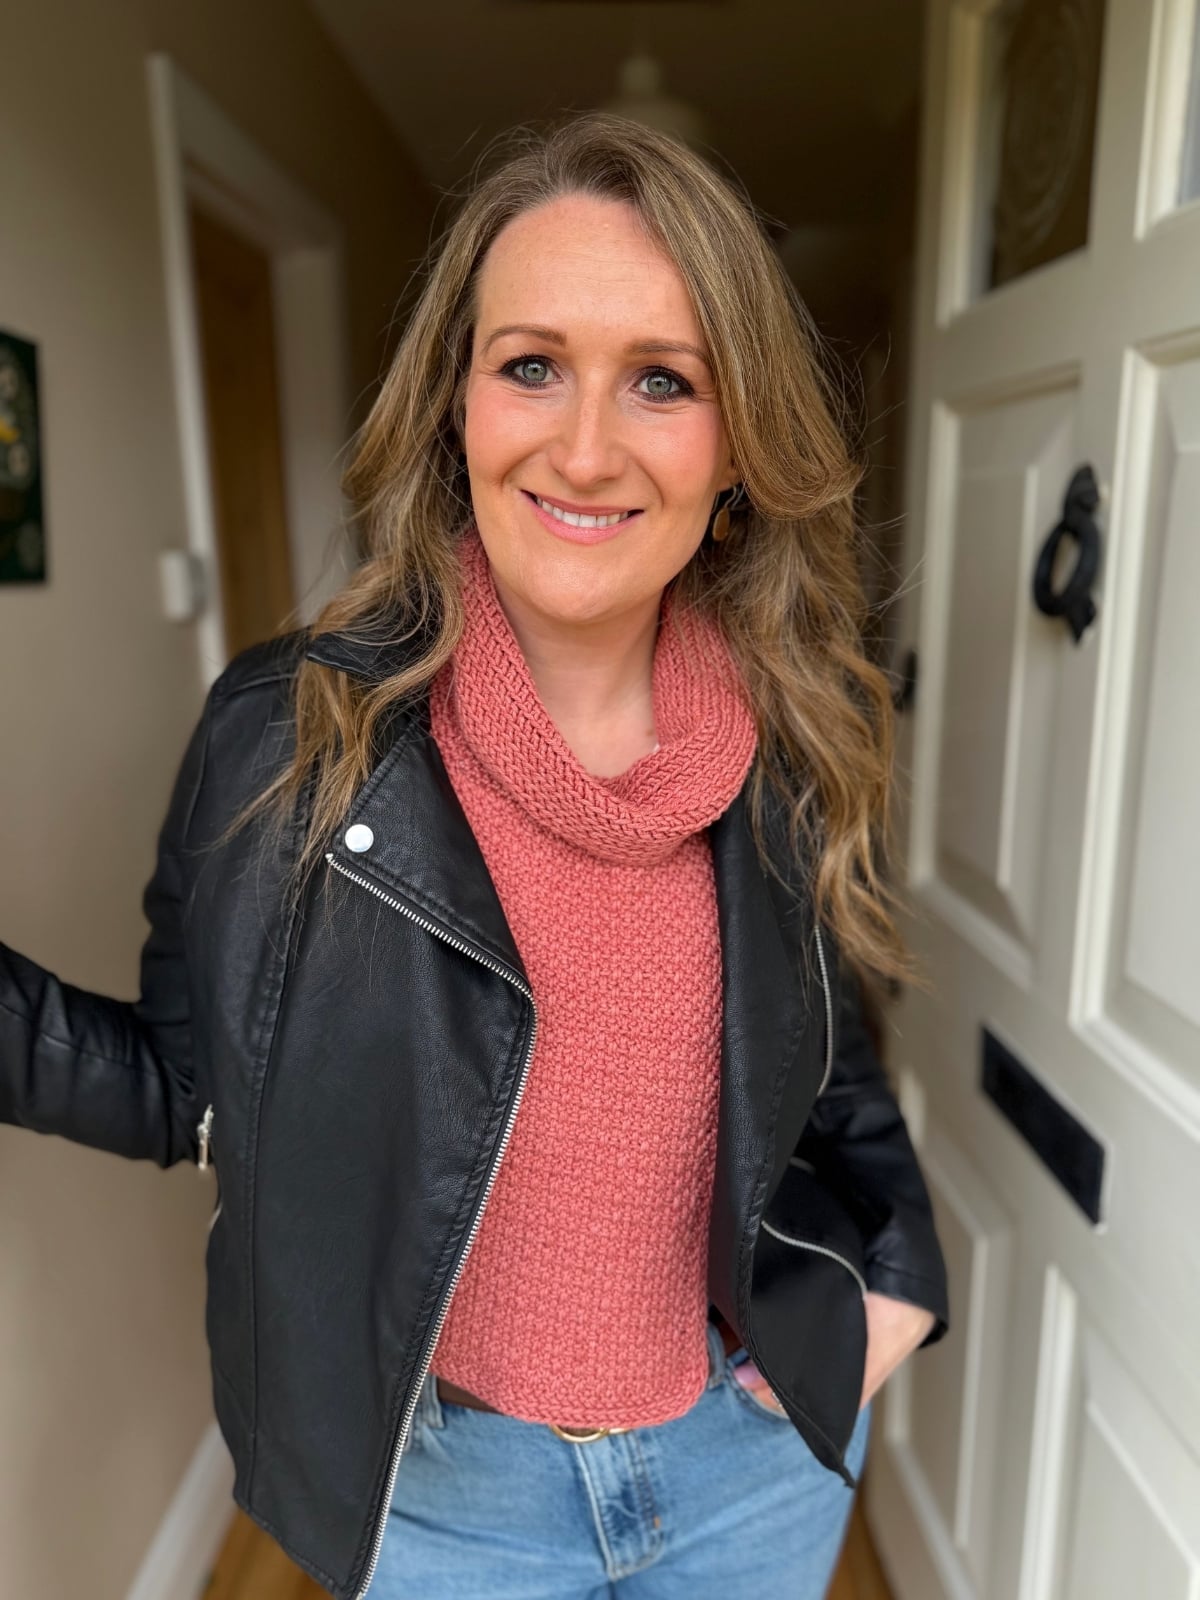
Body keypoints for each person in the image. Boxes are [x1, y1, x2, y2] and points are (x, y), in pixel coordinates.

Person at [0, 114, 949, 1600]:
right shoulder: (288, 735)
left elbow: (822, 1062)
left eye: (662, 379)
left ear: (737, 451)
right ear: (456, 409)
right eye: (530, 365)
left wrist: (905, 1271)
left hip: (753, 1466)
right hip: (447, 1501)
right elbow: (193, 1086)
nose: (585, 447)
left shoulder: (792, 738)